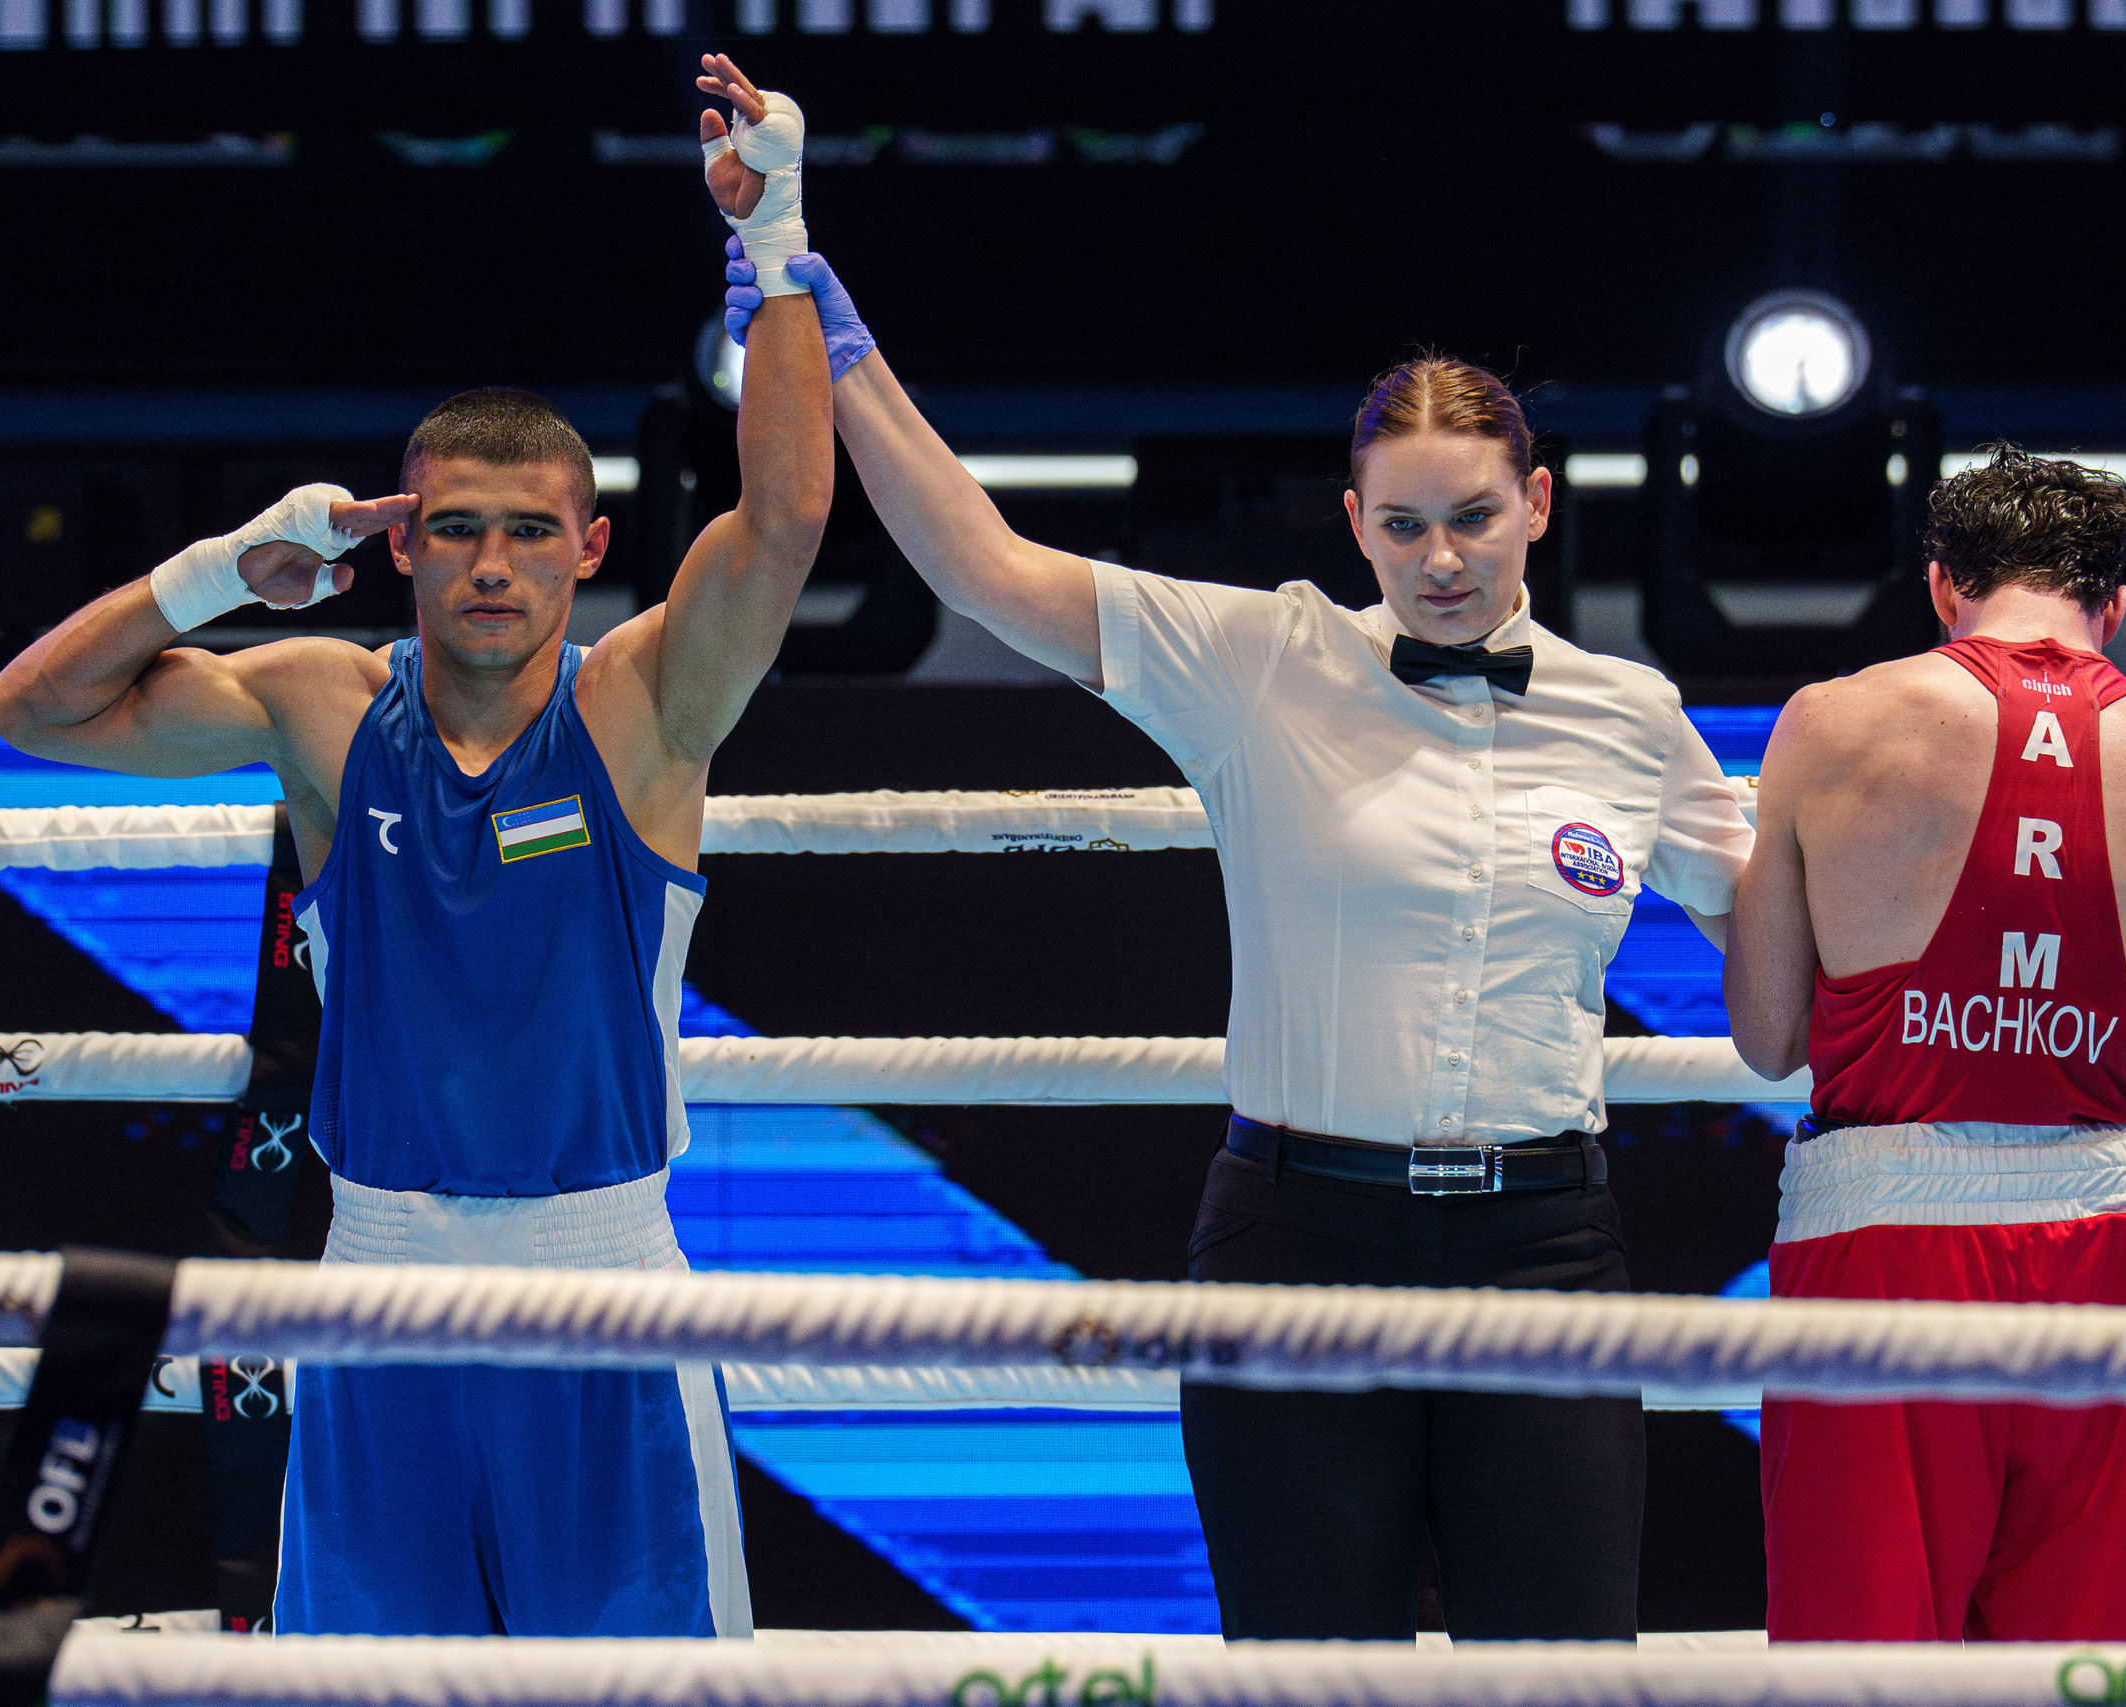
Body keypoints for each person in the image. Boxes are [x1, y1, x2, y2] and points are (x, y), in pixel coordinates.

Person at [712, 57, 1754, 1640]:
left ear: (1539, 503)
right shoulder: (1262, 658)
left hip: (1548, 1243)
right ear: (1352, 525)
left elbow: (1787, 919)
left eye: (1473, 515)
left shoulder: (1631, 715)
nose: (1442, 557)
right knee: (1301, 1675)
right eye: (1403, 525)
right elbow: (983, 565)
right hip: (1297, 1236)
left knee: (1562, 1682)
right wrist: (802, 271)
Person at [0, 67, 833, 1637]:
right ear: (401, 538)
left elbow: (780, 524)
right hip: (375, 1272)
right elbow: (30, 708)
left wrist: (772, 234)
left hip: (605, 1279)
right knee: (363, 1681)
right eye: (454, 527)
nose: (491, 563)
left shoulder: (649, 706)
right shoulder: (323, 704)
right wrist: (220, 567)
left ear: (588, 545)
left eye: (526, 529)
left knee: (647, 1690)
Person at [1725, 444, 2126, 1642]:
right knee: (2110, 1670)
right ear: (2115, 605)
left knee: (1865, 1668)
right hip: (2123, 1250)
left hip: (1885, 1246)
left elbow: (1765, 1038)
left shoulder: (1834, 722)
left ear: (1937, 585)